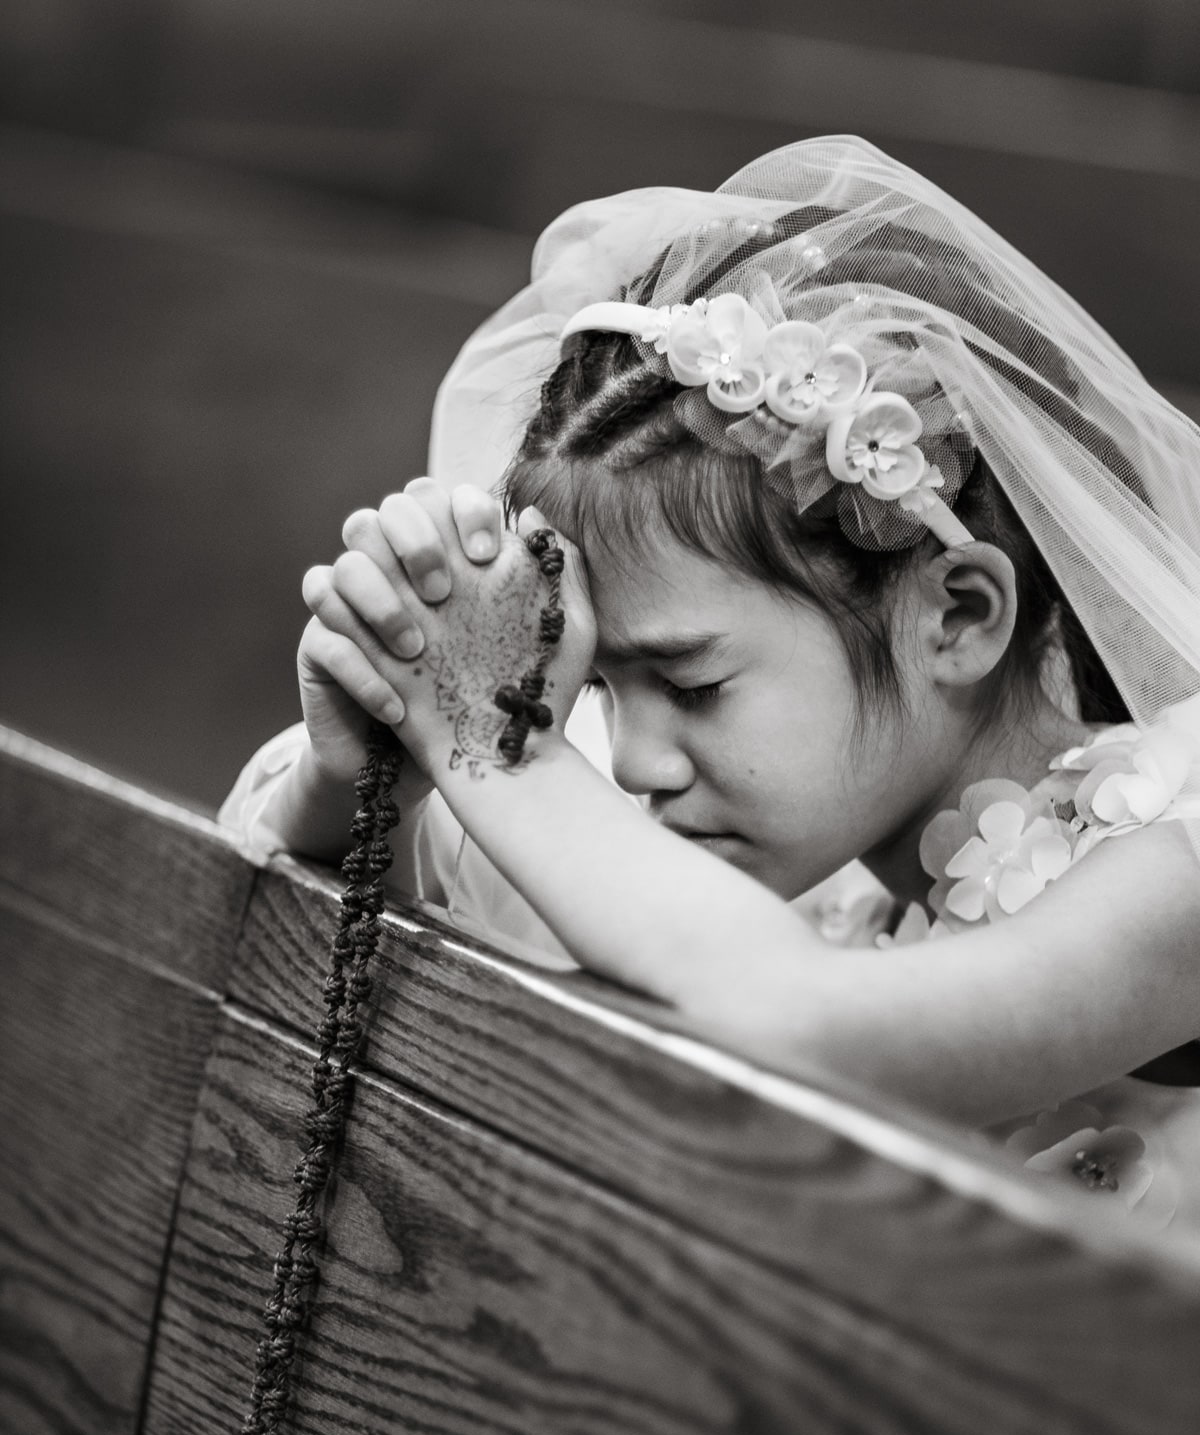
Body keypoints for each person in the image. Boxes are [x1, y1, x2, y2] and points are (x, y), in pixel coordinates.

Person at [220, 136, 1200, 1227]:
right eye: (597, 690)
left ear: (958, 616)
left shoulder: (1184, 855)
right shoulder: (812, 894)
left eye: (692, 687)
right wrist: (364, 770)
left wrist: (491, 740)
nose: (632, 765)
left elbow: (812, 1031)